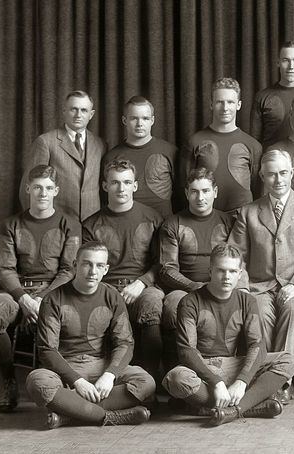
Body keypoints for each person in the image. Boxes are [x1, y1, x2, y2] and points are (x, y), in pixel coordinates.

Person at [229, 150, 294, 404]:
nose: (278, 179)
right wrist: (242, 289)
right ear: (262, 176)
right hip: (259, 286)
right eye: (272, 174)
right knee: (258, 313)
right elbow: (236, 255)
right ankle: (263, 381)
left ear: (292, 173)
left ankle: (282, 382)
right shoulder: (249, 212)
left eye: (283, 173)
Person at [25, 241, 156, 429]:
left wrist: (109, 375)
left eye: (99, 265)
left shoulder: (112, 296)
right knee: (37, 383)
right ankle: (109, 417)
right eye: (87, 264)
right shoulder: (53, 299)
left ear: (106, 269)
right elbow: (47, 349)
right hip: (64, 369)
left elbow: (125, 343)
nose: (93, 271)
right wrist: (76, 381)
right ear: (75, 265)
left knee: (146, 382)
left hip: (100, 365)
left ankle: (70, 415)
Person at [162, 243, 294, 426]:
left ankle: (229, 410)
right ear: (210, 270)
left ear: (240, 274)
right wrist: (216, 383)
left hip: (233, 366)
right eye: (221, 270)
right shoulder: (190, 301)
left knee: (288, 361)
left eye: (233, 271)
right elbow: (187, 351)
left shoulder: (247, 301)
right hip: (202, 370)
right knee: (176, 378)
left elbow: (257, 345)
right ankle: (248, 406)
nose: (226, 277)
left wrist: (241, 381)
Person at [0, 165, 80, 412]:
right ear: (28, 188)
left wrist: (42, 299)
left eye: (48, 188)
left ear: (56, 191)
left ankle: (64, 384)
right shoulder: (11, 224)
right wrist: (25, 299)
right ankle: (9, 383)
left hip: (55, 290)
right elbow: (5, 269)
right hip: (17, 291)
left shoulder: (69, 223)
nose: (42, 193)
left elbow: (68, 270)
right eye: (37, 187)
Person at [83, 159, 165, 382]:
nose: (121, 188)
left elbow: (161, 263)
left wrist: (141, 283)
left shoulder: (154, 219)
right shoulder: (91, 224)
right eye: (115, 182)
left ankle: (149, 381)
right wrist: (107, 290)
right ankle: (104, 377)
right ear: (105, 186)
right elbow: (89, 267)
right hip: (105, 287)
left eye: (127, 182)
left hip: (143, 285)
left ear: (135, 186)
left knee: (153, 302)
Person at [159, 168, 234, 369]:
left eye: (206, 191)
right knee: (172, 305)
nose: (200, 197)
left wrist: (216, 286)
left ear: (215, 192)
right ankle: (178, 371)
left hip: (222, 284)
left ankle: (229, 369)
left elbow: (235, 260)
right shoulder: (173, 224)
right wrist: (196, 287)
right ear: (186, 194)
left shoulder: (229, 222)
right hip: (185, 288)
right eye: (194, 191)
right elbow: (167, 269)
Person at [20, 90, 106, 221]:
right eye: (73, 109)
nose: (78, 115)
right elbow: (29, 188)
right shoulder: (46, 142)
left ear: (91, 114)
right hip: (57, 223)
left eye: (84, 110)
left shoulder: (100, 144)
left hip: (92, 224)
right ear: (64, 111)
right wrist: (38, 223)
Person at [184, 78, 262, 214]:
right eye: (220, 102)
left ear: (239, 105)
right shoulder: (195, 141)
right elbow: (184, 184)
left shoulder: (253, 145)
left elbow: (257, 188)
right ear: (211, 104)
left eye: (230, 102)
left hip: (241, 219)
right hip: (206, 218)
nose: (225, 108)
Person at [102, 96, 178, 218]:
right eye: (133, 118)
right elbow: (106, 200)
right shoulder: (112, 157)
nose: (139, 124)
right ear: (124, 120)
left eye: (145, 118)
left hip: (164, 226)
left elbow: (181, 193)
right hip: (127, 227)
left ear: (152, 120)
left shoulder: (170, 151)